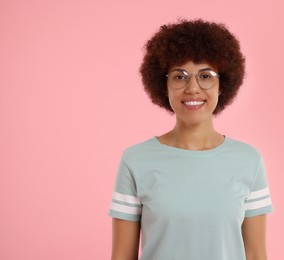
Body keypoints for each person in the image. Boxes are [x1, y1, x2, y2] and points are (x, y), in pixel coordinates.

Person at [108, 19, 274, 260]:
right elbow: (122, 256)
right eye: (179, 76)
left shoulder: (249, 161)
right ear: (164, 85)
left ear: (222, 85)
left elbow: (257, 255)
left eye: (205, 76)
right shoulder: (135, 161)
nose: (193, 88)